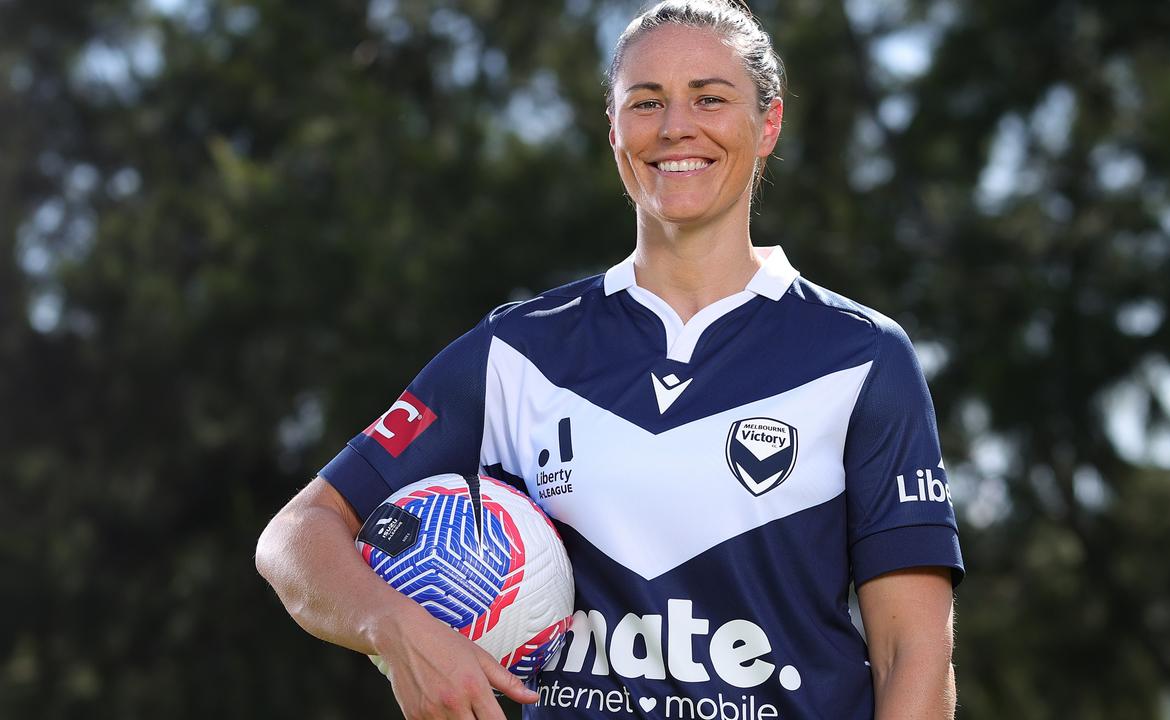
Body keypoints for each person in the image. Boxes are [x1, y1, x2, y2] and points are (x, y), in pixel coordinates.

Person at [255, 1, 963, 718]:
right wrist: (395, 626)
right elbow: (295, 537)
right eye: (646, 102)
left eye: (709, 99)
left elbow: (915, 652)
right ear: (614, 128)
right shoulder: (518, 350)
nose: (675, 127)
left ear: (768, 123)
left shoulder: (861, 356)